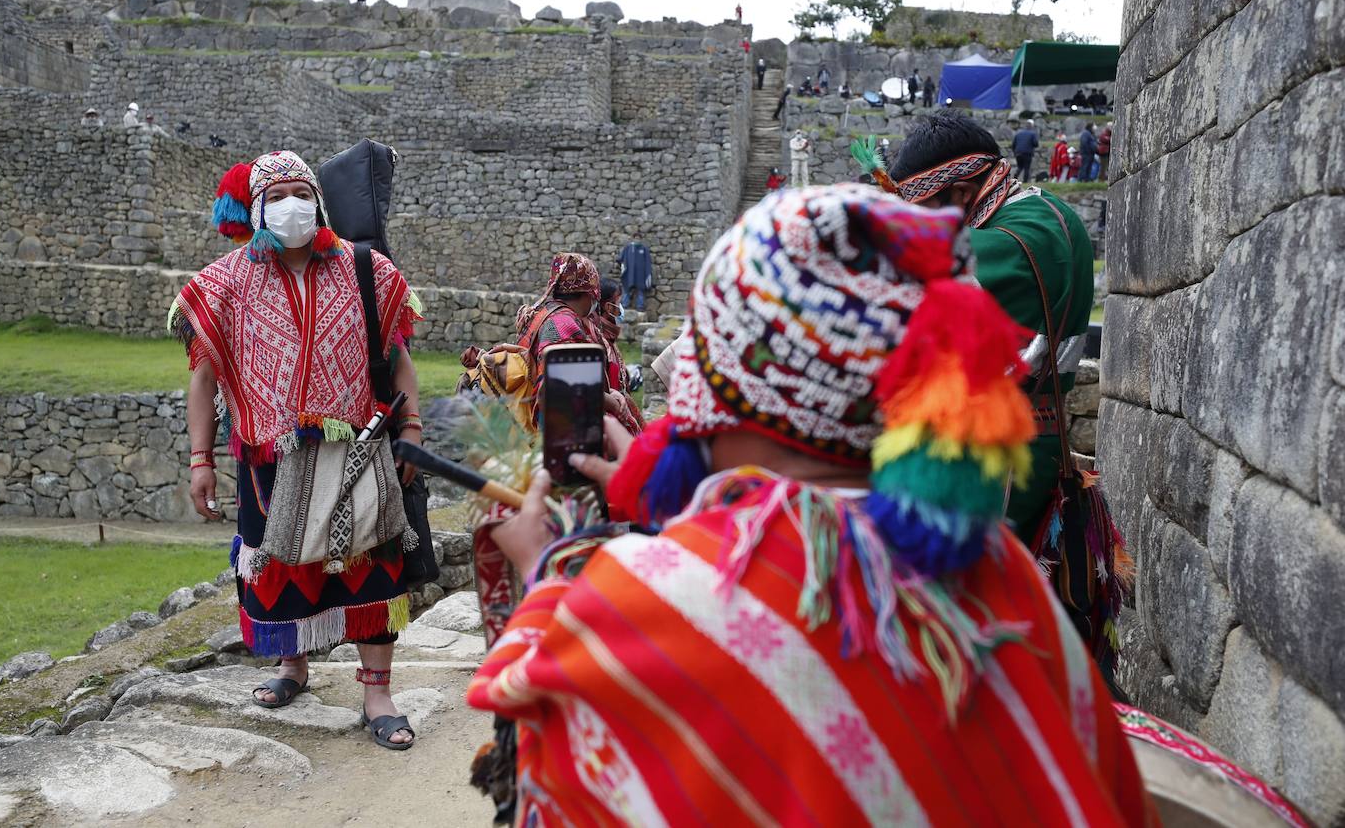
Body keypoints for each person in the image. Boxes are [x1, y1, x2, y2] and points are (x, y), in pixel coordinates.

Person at [469, 184, 1151, 825]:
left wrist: (543, 570)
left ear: (726, 391)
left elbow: (550, 761)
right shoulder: (999, 565)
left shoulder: (659, 592)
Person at [169, 150, 423, 749]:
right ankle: (292, 666)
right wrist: (200, 459)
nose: (291, 205)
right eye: (277, 194)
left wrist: (412, 430)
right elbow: (204, 377)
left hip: (357, 452)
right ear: (257, 209)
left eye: (301, 192)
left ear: (319, 200)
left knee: (371, 574)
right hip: (270, 459)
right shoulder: (225, 283)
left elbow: (399, 358)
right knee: (279, 569)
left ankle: (377, 695)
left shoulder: (368, 272)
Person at [888, 111, 1123, 684]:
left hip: (995, 460)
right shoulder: (1050, 213)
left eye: (924, 211)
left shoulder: (1011, 240)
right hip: (1033, 441)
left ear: (963, 192)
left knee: (963, 614)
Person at [516, 253, 616, 428]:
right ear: (588, 293)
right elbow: (570, 387)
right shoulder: (564, 324)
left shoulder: (544, 313)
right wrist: (612, 403)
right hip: (559, 427)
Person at [593, 278, 645, 435]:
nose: (621, 308)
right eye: (619, 302)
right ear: (608, 306)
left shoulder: (606, 337)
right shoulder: (601, 342)